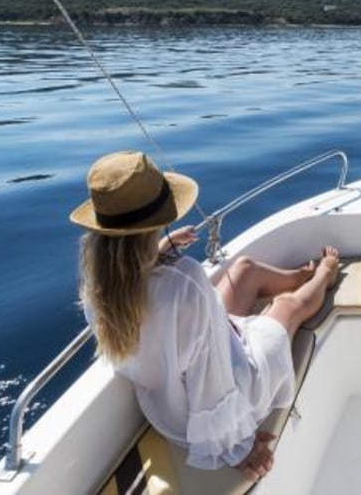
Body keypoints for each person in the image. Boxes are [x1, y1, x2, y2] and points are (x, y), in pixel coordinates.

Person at [70, 150, 339, 481]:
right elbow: (212, 386)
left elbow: (148, 299)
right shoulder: (184, 283)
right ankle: (325, 273)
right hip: (209, 413)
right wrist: (238, 447)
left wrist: (158, 250)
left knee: (243, 269)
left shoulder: (97, 286)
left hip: (168, 407)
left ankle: (300, 276)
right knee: (286, 308)